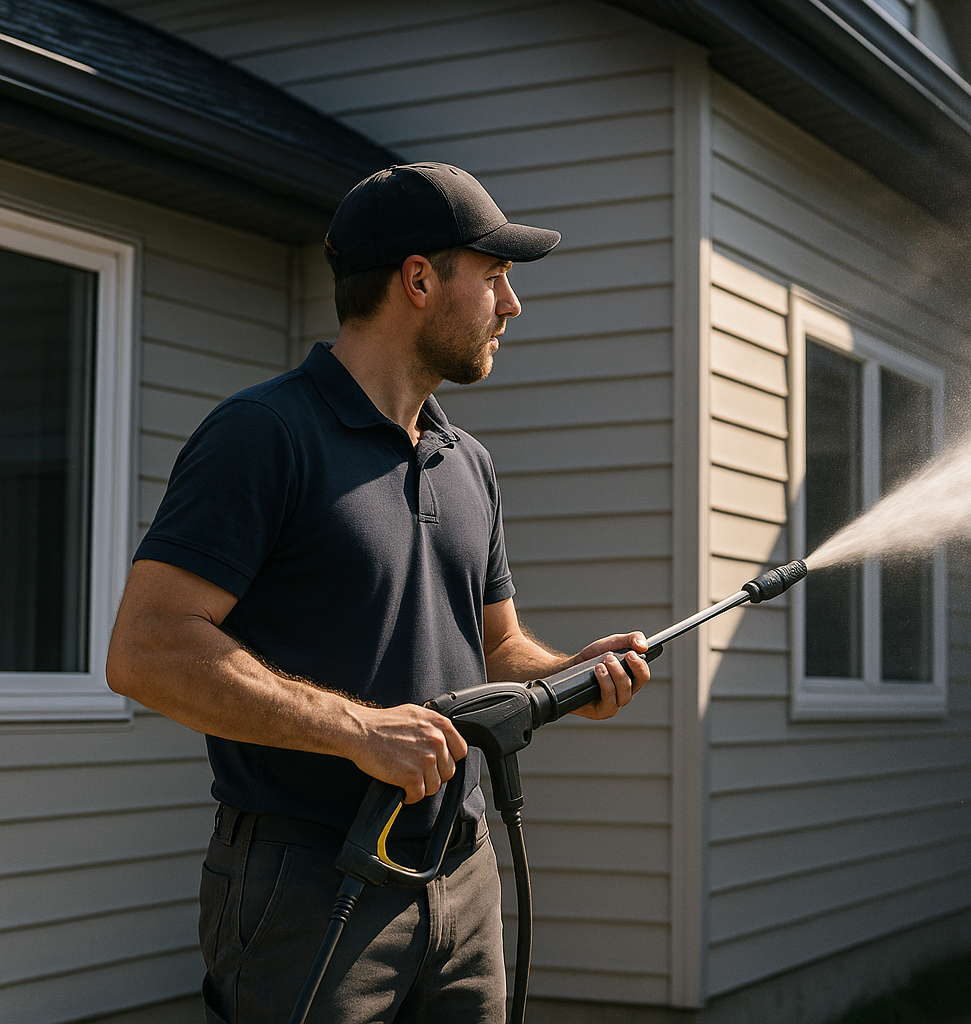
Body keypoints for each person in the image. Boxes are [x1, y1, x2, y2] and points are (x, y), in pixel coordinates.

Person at [105, 161, 651, 1024]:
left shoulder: (467, 462)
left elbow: (496, 646)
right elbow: (148, 650)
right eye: (497, 278)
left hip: (463, 872)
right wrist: (360, 730)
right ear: (420, 279)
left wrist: (570, 675)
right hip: (308, 882)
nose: (512, 306)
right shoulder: (264, 435)